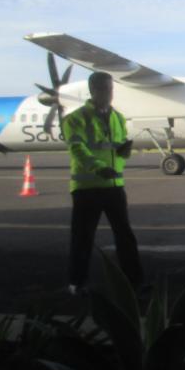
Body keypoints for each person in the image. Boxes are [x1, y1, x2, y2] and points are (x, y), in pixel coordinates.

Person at [63, 72, 143, 295]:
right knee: (83, 237)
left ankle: (134, 282)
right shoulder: (75, 119)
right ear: (92, 90)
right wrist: (99, 168)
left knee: (125, 236)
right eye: (103, 88)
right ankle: (77, 283)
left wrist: (124, 152)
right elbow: (78, 150)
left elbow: (116, 149)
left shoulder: (118, 117)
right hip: (87, 189)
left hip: (114, 186)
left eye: (110, 88)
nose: (108, 93)